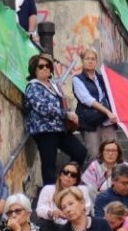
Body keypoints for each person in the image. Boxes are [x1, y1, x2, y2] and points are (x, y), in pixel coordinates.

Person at [24, 53, 86, 189]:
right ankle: (50, 194)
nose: (45, 68)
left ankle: (67, 180)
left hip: (60, 129)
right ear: (34, 69)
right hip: (44, 131)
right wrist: (66, 114)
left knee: (80, 152)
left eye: (48, 66)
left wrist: (70, 114)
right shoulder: (33, 86)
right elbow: (42, 108)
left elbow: (62, 104)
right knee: (49, 164)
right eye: (41, 66)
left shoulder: (54, 85)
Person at [70, 47, 122, 157]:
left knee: (112, 154)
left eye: (93, 59)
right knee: (95, 154)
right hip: (90, 122)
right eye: (87, 58)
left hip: (107, 122)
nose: (90, 61)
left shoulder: (103, 78)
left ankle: (111, 174)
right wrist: (107, 111)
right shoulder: (77, 79)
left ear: (96, 61)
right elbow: (87, 99)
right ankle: (96, 174)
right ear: (82, 61)